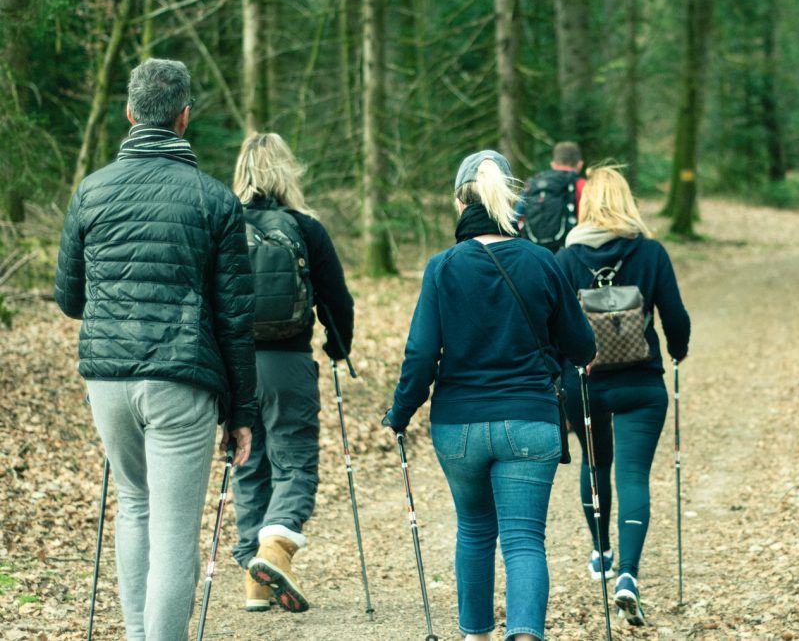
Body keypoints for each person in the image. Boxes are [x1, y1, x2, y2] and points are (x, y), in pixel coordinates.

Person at [54, 58, 256, 641]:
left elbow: (70, 298)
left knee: (134, 505)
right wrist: (241, 412)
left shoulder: (90, 191)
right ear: (184, 118)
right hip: (179, 380)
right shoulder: (215, 201)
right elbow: (234, 319)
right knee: (173, 531)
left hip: (107, 381)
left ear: (129, 112)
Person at [383, 150, 596, 641]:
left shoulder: (443, 268)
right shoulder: (542, 261)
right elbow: (581, 346)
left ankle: (474, 636)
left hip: (458, 427)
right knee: (524, 541)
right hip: (529, 421)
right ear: (511, 203)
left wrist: (400, 414)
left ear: (461, 202)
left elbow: (420, 355)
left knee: (475, 532)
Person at [555, 165, 691, 627]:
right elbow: (676, 317)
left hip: (584, 382)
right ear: (628, 201)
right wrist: (678, 350)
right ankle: (628, 576)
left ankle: (602, 552)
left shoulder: (564, 258)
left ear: (586, 204)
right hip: (641, 383)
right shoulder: (650, 252)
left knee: (595, 466)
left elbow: (552, 328)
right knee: (633, 476)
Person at [229, 133, 355, 613]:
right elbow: (336, 298)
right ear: (287, 172)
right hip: (289, 363)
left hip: (236, 367)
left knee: (247, 461)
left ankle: (255, 582)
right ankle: (275, 549)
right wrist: (338, 345)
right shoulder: (305, 227)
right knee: (296, 462)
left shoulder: (223, 224)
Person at [518, 141, 587, 253]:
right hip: (570, 252)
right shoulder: (582, 186)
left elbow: (517, 216)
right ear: (580, 165)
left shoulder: (532, 184)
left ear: (553, 165)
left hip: (535, 253)